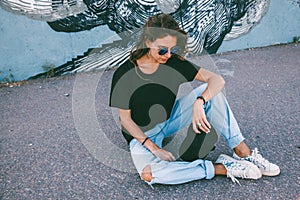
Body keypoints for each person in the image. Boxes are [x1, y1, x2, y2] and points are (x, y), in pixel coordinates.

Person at [109, 13, 280, 185]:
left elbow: (216, 80)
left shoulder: (173, 63)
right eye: (162, 50)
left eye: (172, 50)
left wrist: (200, 102)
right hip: (142, 134)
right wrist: (154, 148)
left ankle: (242, 152)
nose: (167, 55)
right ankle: (220, 167)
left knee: (214, 95)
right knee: (150, 175)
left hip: (169, 120)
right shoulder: (125, 73)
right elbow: (125, 120)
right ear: (147, 42)